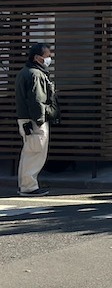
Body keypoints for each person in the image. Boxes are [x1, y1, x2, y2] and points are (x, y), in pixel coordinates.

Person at [14, 43, 59, 196]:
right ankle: (29, 187)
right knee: (35, 153)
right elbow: (37, 100)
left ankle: (25, 185)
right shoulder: (36, 74)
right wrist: (40, 120)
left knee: (29, 153)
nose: (49, 59)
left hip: (26, 119)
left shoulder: (25, 72)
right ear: (38, 58)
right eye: (47, 56)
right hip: (34, 121)